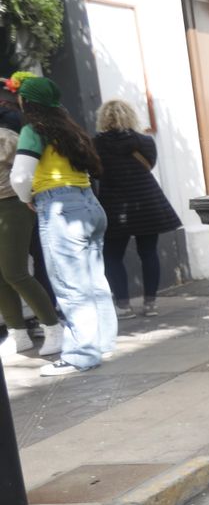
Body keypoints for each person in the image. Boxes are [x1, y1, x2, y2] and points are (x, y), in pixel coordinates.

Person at [8, 77, 116, 376]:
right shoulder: (70, 129)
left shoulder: (33, 130)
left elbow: (20, 176)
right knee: (94, 281)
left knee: (71, 286)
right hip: (89, 204)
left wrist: (27, 197)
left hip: (60, 209)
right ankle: (102, 342)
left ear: (26, 102)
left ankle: (81, 355)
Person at [93, 99, 181, 318]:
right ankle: (150, 304)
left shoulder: (96, 144)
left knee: (112, 256)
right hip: (147, 203)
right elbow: (149, 164)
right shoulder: (145, 142)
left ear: (103, 117)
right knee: (148, 252)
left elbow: (95, 173)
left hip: (115, 206)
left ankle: (123, 305)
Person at [0, 76, 62, 360]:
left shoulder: (6, 136)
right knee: (2, 275)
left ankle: (53, 327)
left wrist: (28, 196)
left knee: (15, 272)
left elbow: (26, 170)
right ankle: (18, 334)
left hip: (11, 205)